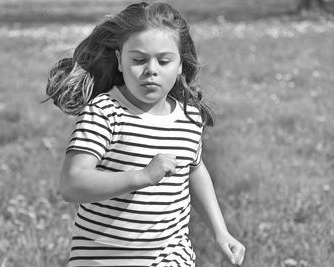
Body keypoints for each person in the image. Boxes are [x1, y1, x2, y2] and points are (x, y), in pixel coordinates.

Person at [45, 2, 246, 266]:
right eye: (138, 60)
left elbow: (194, 170)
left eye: (164, 61)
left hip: (170, 256)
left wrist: (220, 231)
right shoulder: (105, 112)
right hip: (103, 259)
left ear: (181, 66)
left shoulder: (188, 117)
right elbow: (72, 185)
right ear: (119, 60)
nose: (151, 69)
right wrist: (142, 176)